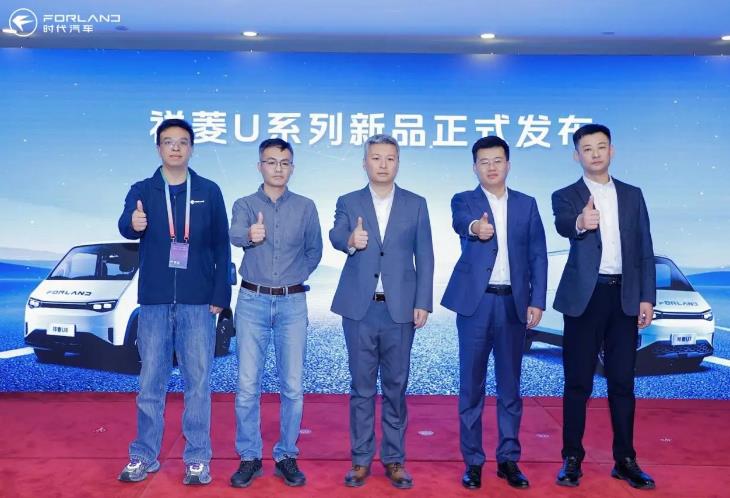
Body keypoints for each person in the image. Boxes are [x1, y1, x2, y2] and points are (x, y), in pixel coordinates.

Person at [117, 118, 231, 486]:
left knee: (198, 382)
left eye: (183, 142)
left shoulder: (209, 191)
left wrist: (221, 293)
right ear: (158, 149)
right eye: (169, 142)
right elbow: (125, 225)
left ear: (192, 148)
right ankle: (143, 455)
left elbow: (221, 245)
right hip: (154, 300)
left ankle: (197, 458)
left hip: (198, 302)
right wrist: (132, 223)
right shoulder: (143, 190)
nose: (176, 148)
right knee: (151, 381)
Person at [552, 124, 656, 490]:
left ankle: (625, 460)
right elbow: (563, 224)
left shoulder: (632, 195)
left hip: (624, 297)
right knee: (578, 382)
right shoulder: (565, 195)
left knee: (623, 382)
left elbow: (645, 247)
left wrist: (647, 296)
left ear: (611, 151)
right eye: (587, 148)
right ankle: (572, 458)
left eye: (601, 147)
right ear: (576, 155)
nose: (595, 153)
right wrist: (581, 222)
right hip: (585, 298)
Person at [441, 136, 547, 490]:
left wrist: (537, 300)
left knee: (510, 386)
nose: (491, 167)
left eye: (497, 160)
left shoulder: (527, 204)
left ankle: (508, 459)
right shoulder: (464, 200)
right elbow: (462, 222)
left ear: (508, 164)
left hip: (513, 304)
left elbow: (538, 255)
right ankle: (473, 461)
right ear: (475, 167)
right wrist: (476, 228)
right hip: (476, 304)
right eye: (484, 162)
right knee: (471, 386)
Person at [329, 134, 434, 489]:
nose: (383, 164)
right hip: (359, 310)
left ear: (398, 162)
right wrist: (349, 241)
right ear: (365, 163)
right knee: (361, 389)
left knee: (395, 387)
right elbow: (336, 233)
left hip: (399, 310)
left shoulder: (416, 204)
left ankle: (394, 459)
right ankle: (360, 460)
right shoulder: (349, 201)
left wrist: (423, 302)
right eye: (376, 158)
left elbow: (426, 256)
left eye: (390, 158)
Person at [228, 138, 322, 488]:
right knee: (247, 386)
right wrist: (251, 235)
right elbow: (235, 234)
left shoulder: (306, 206)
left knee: (293, 386)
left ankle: (286, 455)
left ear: (292, 167)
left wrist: (295, 276)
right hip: (251, 301)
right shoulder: (245, 204)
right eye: (271, 162)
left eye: (284, 162)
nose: (278, 168)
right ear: (260, 166)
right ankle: (249, 456)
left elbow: (314, 251)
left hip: (292, 303)